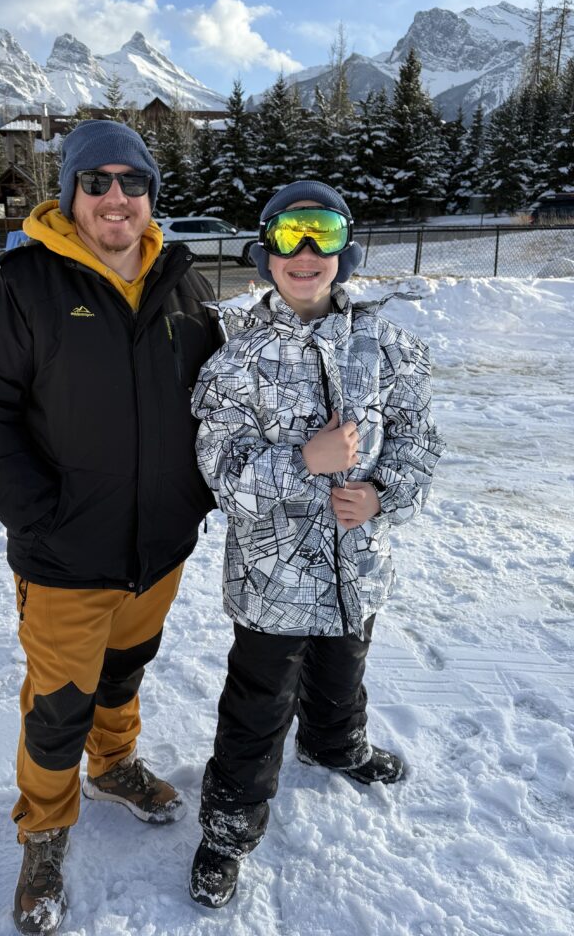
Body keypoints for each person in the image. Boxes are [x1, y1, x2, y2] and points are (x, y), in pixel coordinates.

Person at [0, 120, 221, 935]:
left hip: (158, 549)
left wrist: (197, 498)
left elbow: (218, 405)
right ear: (69, 193)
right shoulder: (21, 287)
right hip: (67, 556)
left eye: (132, 182)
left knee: (125, 673)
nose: (115, 197)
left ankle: (116, 768)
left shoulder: (181, 283)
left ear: (151, 196)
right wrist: (42, 517)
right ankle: (44, 831)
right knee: (58, 702)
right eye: (95, 181)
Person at [188, 181, 444, 908]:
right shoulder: (234, 362)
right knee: (258, 703)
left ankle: (335, 744)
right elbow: (223, 476)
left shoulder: (386, 344)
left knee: (343, 666)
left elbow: (420, 440)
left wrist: (384, 493)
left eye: (323, 233)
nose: (307, 253)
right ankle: (230, 825)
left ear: (345, 247)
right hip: (273, 582)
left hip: (358, 568)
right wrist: (306, 461)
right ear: (266, 249)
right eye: (292, 234)